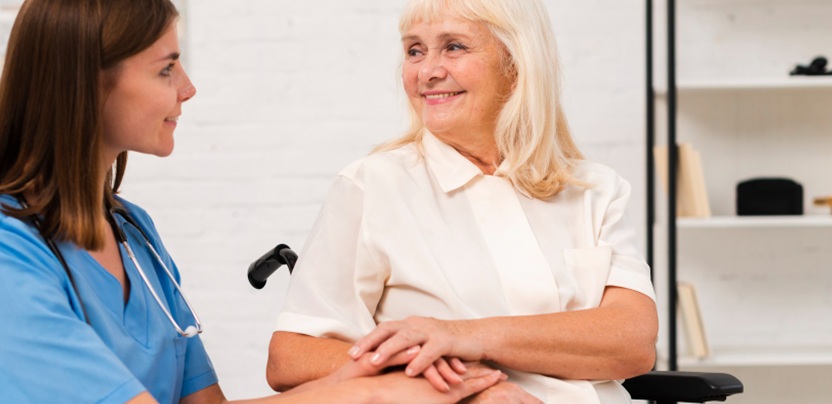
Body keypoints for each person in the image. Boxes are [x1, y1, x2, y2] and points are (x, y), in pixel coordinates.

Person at [0, 0, 506, 402]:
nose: (187, 88)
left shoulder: (131, 231)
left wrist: (372, 369)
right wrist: (378, 392)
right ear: (88, 83)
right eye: (166, 68)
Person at [266, 0, 659, 402]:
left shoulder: (593, 187)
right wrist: (458, 387)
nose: (428, 71)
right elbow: (291, 357)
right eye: (414, 50)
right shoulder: (373, 185)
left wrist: (459, 336)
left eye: (454, 47)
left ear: (516, 62)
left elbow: (632, 345)